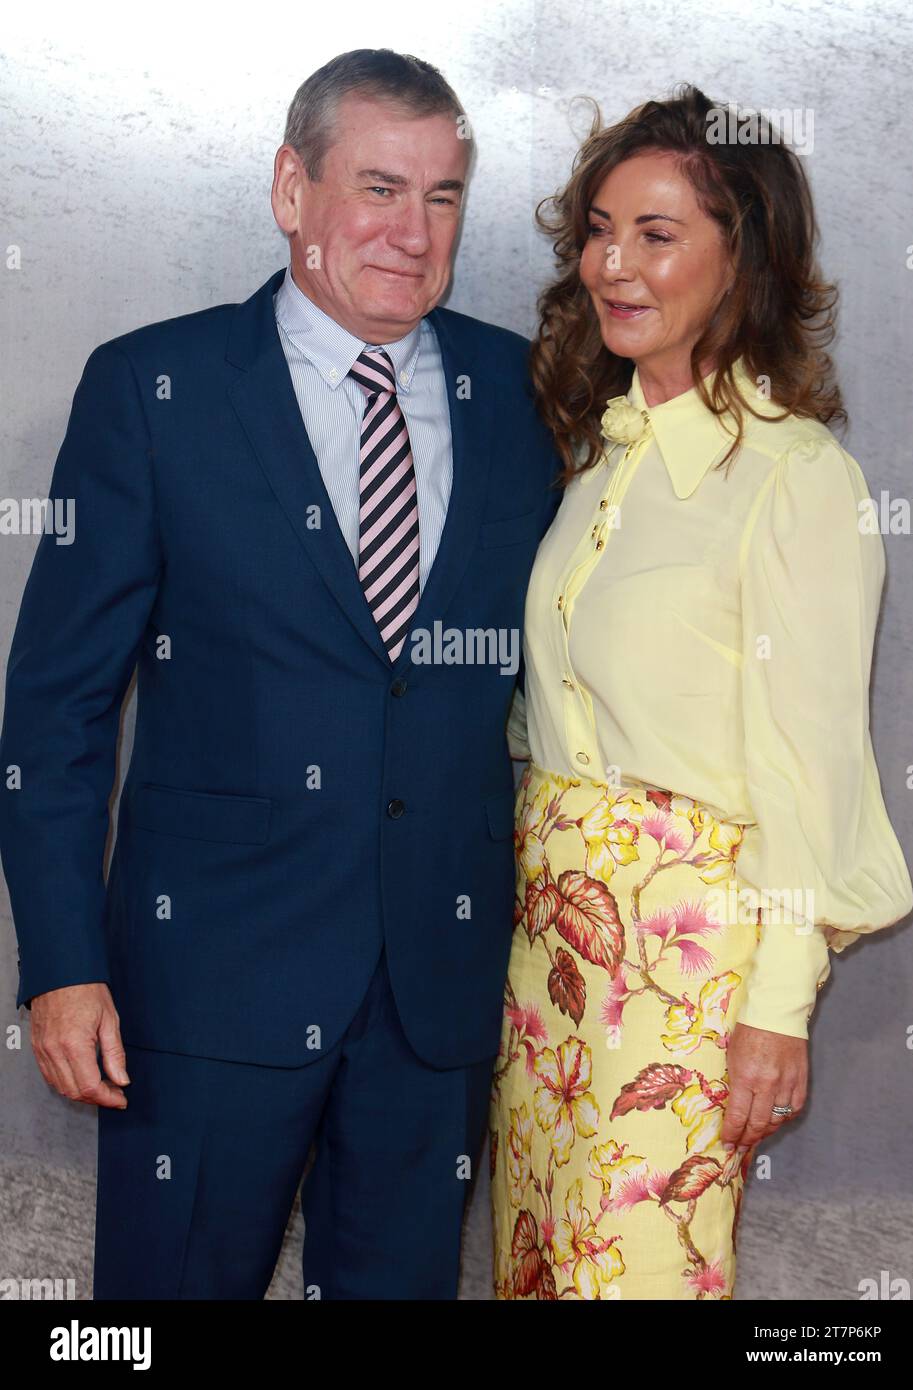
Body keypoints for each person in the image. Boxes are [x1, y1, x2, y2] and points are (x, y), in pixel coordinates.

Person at [0, 48, 561, 1299]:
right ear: (289, 190)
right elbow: (57, 705)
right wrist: (59, 959)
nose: (412, 234)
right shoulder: (154, 389)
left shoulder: (525, 397)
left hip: (437, 998)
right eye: (377, 187)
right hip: (201, 988)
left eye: (443, 197)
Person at [489, 85, 913, 1300]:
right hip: (550, 957)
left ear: (746, 255)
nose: (612, 264)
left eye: (657, 234)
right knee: (538, 1269)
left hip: (688, 972)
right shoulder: (595, 463)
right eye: (599, 228)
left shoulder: (796, 479)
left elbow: (810, 763)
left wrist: (777, 1008)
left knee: (632, 1277)